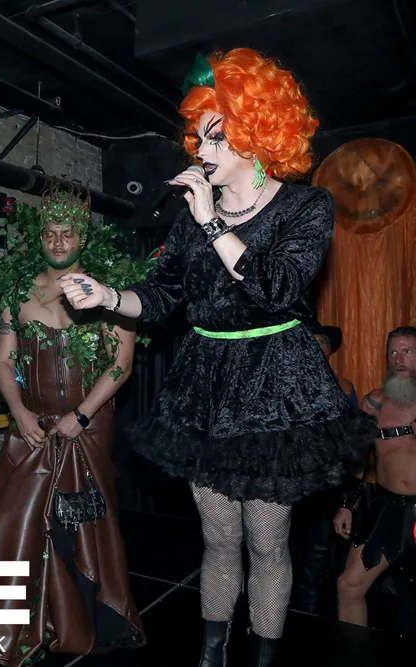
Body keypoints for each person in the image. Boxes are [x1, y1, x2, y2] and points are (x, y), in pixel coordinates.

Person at [58, 48, 376, 666]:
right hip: (206, 382)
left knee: (267, 540)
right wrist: (108, 297)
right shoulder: (191, 218)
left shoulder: (305, 207)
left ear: (257, 135)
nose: (201, 149)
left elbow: (276, 288)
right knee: (219, 538)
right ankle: (210, 656)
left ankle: (262, 656)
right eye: (198, 136)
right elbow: (160, 297)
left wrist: (210, 221)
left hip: (276, 383)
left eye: (216, 136)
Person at [0, 189, 145, 665]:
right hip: (32, 427)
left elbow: (121, 363)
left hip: (90, 429)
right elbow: (4, 361)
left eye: (68, 233)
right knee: (17, 524)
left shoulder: (108, 293)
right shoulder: (17, 295)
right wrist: (19, 413)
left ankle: (91, 620)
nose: (59, 242)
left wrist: (82, 416)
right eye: (51, 234)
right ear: (40, 238)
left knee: (83, 526)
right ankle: (25, 623)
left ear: (83, 237)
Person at [335, 327, 416, 629]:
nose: (399, 359)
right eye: (393, 352)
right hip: (387, 509)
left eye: (407, 351)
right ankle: (353, 651)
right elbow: (357, 460)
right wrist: (347, 505)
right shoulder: (374, 403)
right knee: (348, 586)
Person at [292, 321, 359, 613]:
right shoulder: (287, 386)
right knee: (284, 552)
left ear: (330, 349)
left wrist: (347, 497)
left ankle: (309, 617)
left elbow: (354, 442)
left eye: (321, 341)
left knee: (320, 558)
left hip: (328, 485)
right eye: (310, 341)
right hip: (292, 484)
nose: (316, 346)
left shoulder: (344, 387)